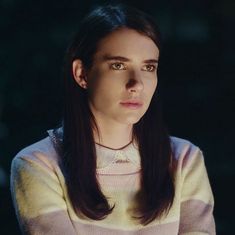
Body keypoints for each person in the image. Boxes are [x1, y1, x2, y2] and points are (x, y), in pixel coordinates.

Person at [10, 4, 216, 235]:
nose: (136, 84)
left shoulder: (184, 160)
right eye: (118, 65)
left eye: (148, 67)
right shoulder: (38, 165)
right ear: (81, 74)